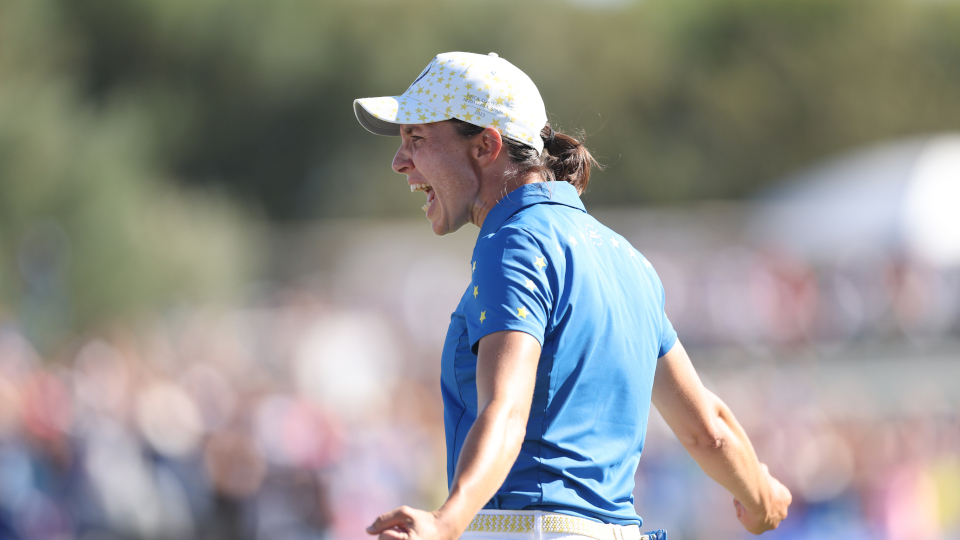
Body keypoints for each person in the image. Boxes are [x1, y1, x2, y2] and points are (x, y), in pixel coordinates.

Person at [353, 51, 791, 540]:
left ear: (485, 146)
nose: (399, 161)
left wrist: (445, 523)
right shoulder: (628, 258)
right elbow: (707, 428)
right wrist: (761, 495)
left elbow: (508, 410)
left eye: (416, 138)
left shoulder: (512, 241)